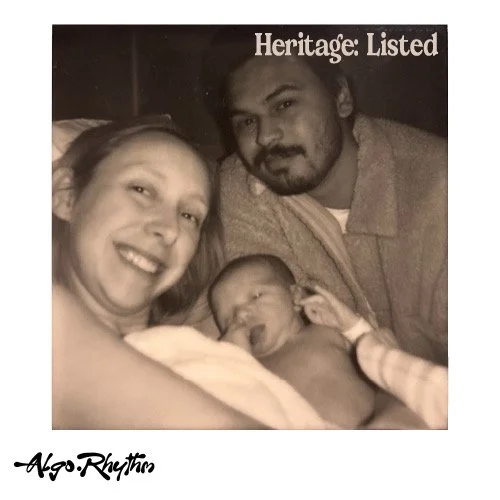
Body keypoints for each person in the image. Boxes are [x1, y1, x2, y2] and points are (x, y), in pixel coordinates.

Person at [52, 115, 333, 430]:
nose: (169, 229)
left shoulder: (211, 355)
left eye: (189, 215)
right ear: (66, 194)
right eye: (141, 189)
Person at [200, 26, 448, 366]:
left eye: (284, 104)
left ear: (341, 97)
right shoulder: (238, 194)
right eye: (246, 122)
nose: (265, 136)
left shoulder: (443, 186)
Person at [209, 253, 447, 429]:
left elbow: (379, 355)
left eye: (255, 296)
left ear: (295, 296)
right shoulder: (250, 369)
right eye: (228, 318)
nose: (242, 315)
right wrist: (231, 361)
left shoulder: (325, 332)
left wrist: (351, 325)